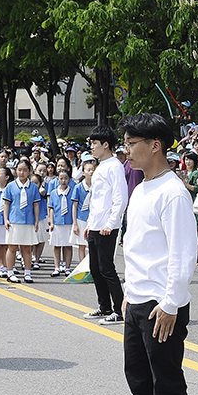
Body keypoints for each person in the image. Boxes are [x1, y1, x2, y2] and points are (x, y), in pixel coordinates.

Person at [104, 113, 198, 395]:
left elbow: (182, 253)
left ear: (155, 145)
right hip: (139, 301)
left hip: (163, 304)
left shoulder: (173, 193)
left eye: (131, 143)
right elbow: (139, 249)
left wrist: (172, 303)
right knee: (139, 378)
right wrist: (129, 294)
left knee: (167, 383)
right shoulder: (141, 188)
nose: (126, 150)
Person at [82, 125, 129, 324]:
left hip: (107, 227)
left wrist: (111, 222)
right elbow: (97, 199)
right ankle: (104, 307)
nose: (91, 147)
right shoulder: (101, 165)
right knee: (95, 268)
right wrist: (89, 224)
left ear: (106, 144)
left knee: (107, 268)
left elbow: (120, 198)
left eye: (94, 143)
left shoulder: (114, 166)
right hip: (95, 225)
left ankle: (119, 311)